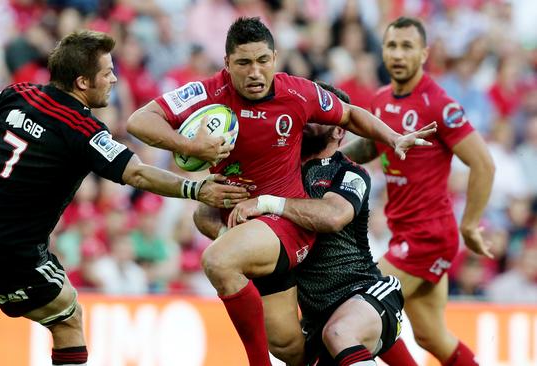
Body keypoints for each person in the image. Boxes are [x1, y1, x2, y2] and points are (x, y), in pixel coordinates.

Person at [0, 30, 249, 366]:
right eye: (107, 73)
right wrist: (195, 188)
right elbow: (136, 172)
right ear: (82, 82)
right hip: (9, 250)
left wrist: (13, 129)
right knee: (69, 319)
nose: (114, 79)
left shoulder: (20, 93)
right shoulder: (82, 129)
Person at [127, 17, 434, 366]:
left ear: (275, 57)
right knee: (293, 350)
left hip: (288, 228)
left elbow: (348, 115)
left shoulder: (300, 94)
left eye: (262, 61)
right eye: (243, 63)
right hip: (260, 237)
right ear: (227, 64)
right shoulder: (208, 92)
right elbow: (139, 121)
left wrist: (392, 137)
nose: (255, 72)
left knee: (218, 260)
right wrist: (192, 148)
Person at [196, 83, 405, 366]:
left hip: (365, 292)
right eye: (308, 113)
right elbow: (205, 212)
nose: (308, 119)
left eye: (321, 117)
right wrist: (236, 239)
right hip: (316, 321)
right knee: (290, 345)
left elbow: (332, 216)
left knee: (340, 332)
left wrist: (269, 203)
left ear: (339, 129)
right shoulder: (278, 168)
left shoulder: (350, 172)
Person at [341, 17, 495, 366]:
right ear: (382, 50)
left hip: (428, 236)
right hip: (406, 232)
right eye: (392, 46)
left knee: (362, 310)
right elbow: (370, 147)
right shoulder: (380, 100)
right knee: (430, 336)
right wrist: (331, 159)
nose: (398, 54)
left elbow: (483, 163)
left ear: (424, 54)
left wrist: (469, 225)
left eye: (407, 46)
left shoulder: (438, 104)